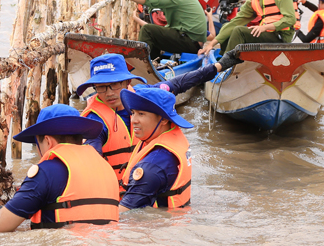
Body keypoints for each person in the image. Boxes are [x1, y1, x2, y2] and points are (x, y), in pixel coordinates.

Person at [77, 53, 243, 186]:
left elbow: (178, 84)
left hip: (147, 182)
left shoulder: (142, 95)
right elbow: (91, 157)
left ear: (127, 82)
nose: (109, 93)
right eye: (101, 87)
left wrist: (218, 66)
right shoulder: (94, 122)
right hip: (119, 195)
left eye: (115, 84)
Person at [0, 104, 119, 231]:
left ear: (47, 141)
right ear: (80, 139)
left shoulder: (45, 173)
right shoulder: (107, 169)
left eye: (37, 144)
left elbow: (2, 225)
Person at [118, 86, 193, 211]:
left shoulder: (151, 167)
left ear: (163, 119)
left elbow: (124, 214)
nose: (133, 120)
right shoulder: (170, 136)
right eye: (133, 113)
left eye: (141, 114)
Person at [200, 0, 297, 55]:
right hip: (266, 33)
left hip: (281, 36)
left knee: (239, 31)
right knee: (227, 27)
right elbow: (235, 22)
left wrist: (264, 27)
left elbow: (290, 19)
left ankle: (225, 63)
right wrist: (211, 44)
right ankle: (226, 59)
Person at [112, 0, 206, 60]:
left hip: (190, 42)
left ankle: (142, 63)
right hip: (195, 42)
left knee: (147, 30)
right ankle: (154, 61)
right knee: (156, 33)